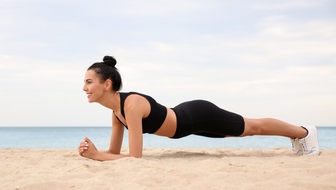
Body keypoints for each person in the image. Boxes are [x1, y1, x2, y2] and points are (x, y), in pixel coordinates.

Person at [78, 56, 320, 161]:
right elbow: (115, 153)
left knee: (250, 127)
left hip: (197, 116)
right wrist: (96, 152)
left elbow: (134, 158)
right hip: (188, 123)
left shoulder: (131, 104)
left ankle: (304, 133)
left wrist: (98, 156)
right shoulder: (116, 114)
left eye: (89, 82)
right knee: (235, 132)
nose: (84, 88)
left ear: (107, 84)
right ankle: (298, 137)